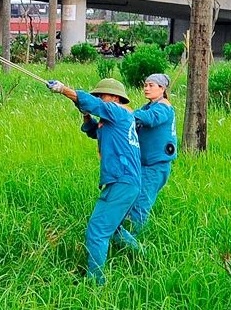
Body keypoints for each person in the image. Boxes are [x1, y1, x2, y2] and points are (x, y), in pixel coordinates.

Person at [46, 76, 142, 284]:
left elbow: (94, 104)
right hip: (127, 182)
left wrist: (64, 89)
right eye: (97, 95)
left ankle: (95, 281)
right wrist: (85, 114)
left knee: (97, 231)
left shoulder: (118, 112)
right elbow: (93, 132)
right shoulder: (116, 120)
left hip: (121, 180)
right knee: (114, 228)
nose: (99, 98)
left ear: (116, 97)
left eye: (102, 95)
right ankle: (144, 258)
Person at [121, 73, 177, 237]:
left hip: (155, 166)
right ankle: (128, 235)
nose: (146, 88)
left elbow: (151, 119)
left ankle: (134, 242)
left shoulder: (163, 107)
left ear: (162, 88)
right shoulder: (148, 107)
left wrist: (125, 110)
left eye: (151, 85)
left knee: (141, 203)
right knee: (133, 200)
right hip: (144, 164)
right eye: (145, 85)